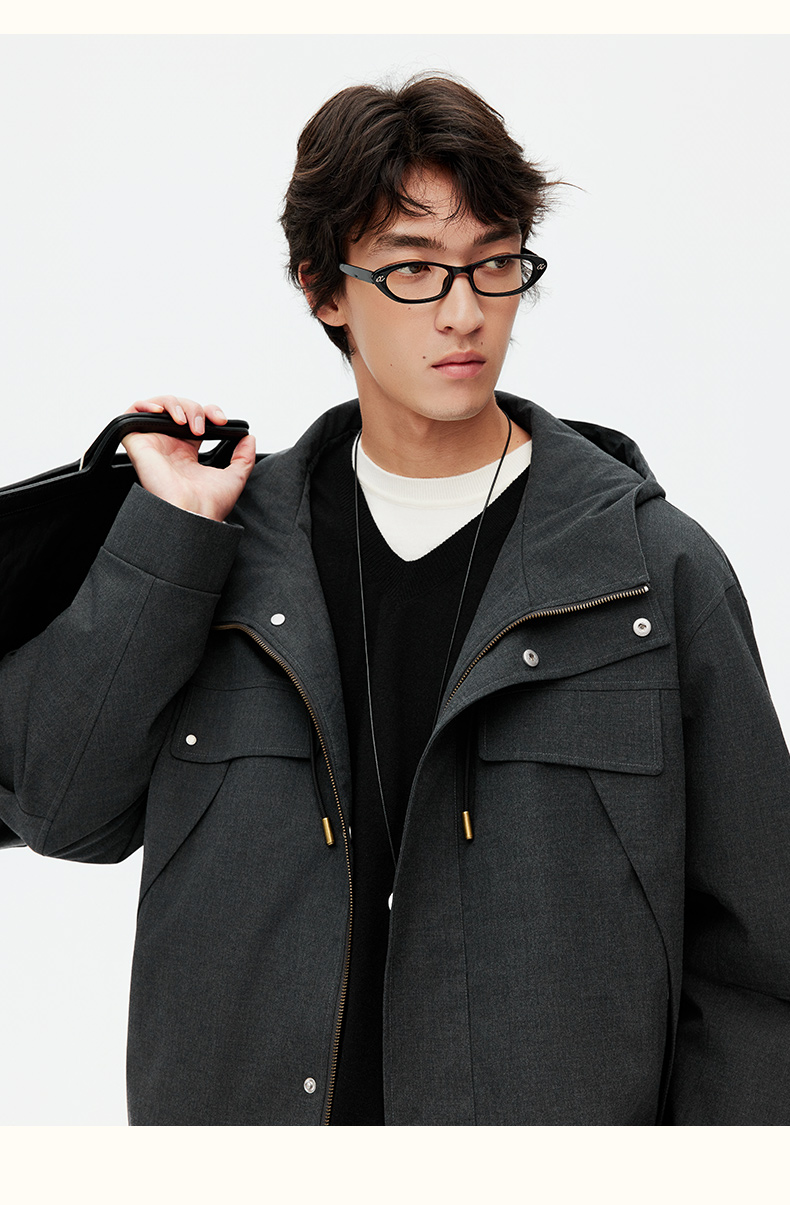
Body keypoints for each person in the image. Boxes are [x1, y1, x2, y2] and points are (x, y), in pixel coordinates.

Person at [1, 74, 789, 1127]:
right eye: (414, 268)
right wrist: (168, 535)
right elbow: (61, 809)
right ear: (323, 288)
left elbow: (759, 969)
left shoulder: (652, 573)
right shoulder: (218, 553)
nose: (465, 312)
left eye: (494, 262)